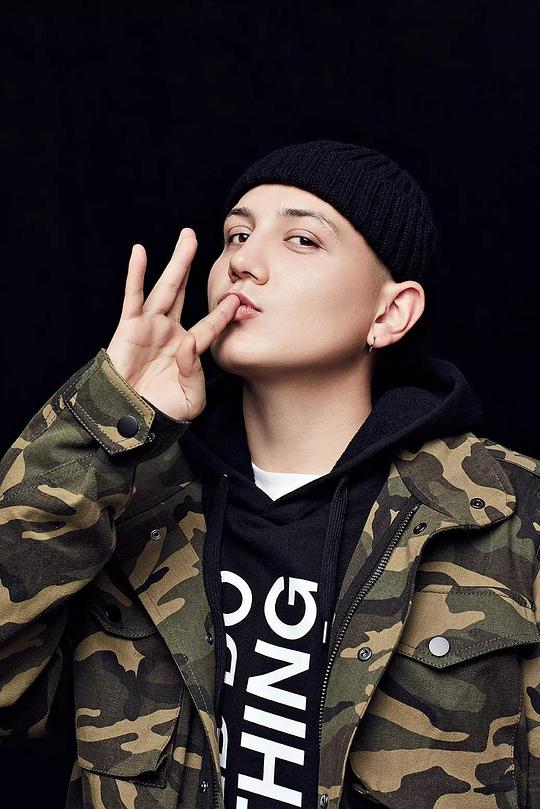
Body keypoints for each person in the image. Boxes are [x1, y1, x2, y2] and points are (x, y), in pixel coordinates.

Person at [0, 139, 539, 809]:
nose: (243, 262)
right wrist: (108, 418)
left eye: (302, 240)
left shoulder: (508, 513)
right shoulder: (127, 500)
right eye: (236, 235)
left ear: (390, 312)